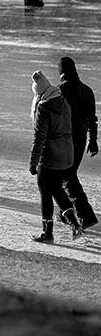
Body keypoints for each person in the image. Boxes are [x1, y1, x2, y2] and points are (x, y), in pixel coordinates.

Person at [28, 70, 81, 243]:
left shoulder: (43, 107)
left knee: (45, 191)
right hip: (67, 153)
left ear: (38, 92)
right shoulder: (63, 101)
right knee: (57, 189)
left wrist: (33, 162)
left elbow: (39, 137)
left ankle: (47, 233)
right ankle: (74, 223)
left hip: (51, 155)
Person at [58, 56, 98, 230]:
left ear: (61, 72)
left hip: (65, 140)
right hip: (81, 140)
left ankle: (85, 215)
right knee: (67, 175)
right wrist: (93, 141)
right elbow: (92, 120)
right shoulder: (87, 91)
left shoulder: (61, 91)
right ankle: (66, 213)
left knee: (67, 177)